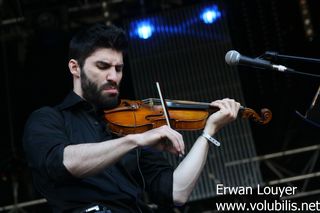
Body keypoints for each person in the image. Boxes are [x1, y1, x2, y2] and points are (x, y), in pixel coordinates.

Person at [23, 23, 240, 213]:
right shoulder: (48, 119)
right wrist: (135, 140)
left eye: (119, 68)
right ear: (75, 68)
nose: (113, 76)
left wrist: (208, 133)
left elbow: (176, 192)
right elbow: (65, 162)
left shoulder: (130, 126)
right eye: (103, 66)